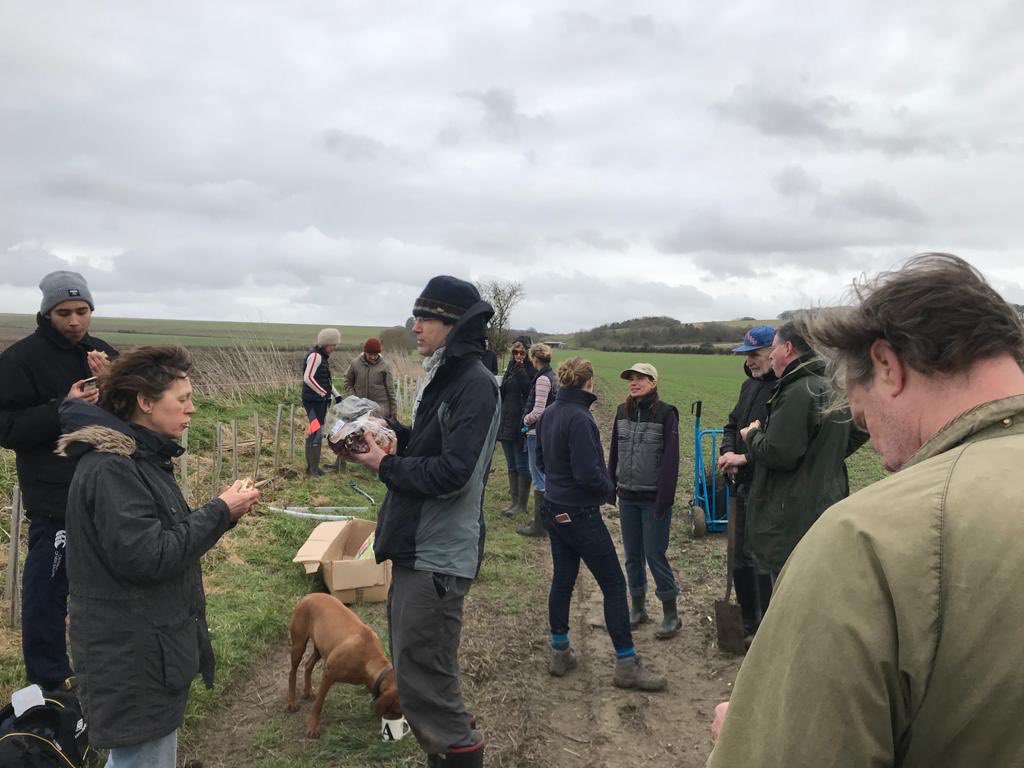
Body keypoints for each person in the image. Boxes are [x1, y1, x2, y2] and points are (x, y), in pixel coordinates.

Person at [708, 253, 1024, 767]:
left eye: (860, 410)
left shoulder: (868, 538)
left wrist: (743, 737)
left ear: (886, 365)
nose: (871, 437)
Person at [57, 346, 259, 767]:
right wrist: (221, 510)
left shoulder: (141, 459)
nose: (192, 409)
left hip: (145, 644)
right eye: (182, 400)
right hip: (130, 653)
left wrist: (223, 514)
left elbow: (162, 539)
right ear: (146, 403)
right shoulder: (113, 468)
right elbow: (150, 557)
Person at [349, 275, 498, 768]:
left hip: (438, 555)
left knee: (426, 691)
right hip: (421, 549)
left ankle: (457, 753)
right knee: (419, 684)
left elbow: (455, 473)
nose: (414, 326)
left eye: (424, 318)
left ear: (452, 325)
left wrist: (385, 466)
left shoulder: (473, 384)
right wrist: (391, 433)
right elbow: (434, 446)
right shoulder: (448, 376)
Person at [0, 270, 118, 690]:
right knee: (48, 590)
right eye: (64, 312)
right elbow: (7, 428)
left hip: (108, 490)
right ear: (46, 312)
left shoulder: (102, 353)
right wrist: (62, 407)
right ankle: (49, 679)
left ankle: (104, 662)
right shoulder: (19, 360)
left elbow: (137, 412)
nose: (74, 321)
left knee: (109, 583)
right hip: (55, 496)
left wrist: (114, 381)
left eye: (82, 311)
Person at [536, 357, 667, 691]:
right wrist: (610, 490)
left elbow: (540, 460)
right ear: (588, 382)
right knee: (612, 583)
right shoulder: (580, 418)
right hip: (580, 513)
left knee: (563, 579)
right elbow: (587, 473)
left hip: (553, 508)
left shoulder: (550, 412)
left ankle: (559, 651)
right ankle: (626, 663)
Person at [739, 322, 866, 580]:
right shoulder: (831, 385)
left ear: (787, 348)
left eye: (773, 348)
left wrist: (752, 435)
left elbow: (779, 453)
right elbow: (858, 431)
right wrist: (823, 455)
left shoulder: (799, 389)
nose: (771, 354)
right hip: (824, 504)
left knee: (787, 586)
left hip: (792, 514)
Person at [607, 363, 682, 639]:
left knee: (654, 554)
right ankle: (637, 608)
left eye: (640, 378)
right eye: (631, 378)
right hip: (628, 495)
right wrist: (610, 486)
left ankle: (671, 614)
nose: (634, 383)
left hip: (653, 499)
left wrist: (665, 498)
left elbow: (671, 460)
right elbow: (614, 449)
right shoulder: (621, 411)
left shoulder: (666, 414)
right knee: (632, 556)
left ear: (653, 382)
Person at [716, 326, 777, 639]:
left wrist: (746, 459)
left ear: (775, 352)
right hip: (742, 487)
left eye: (754, 354)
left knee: (763, 562)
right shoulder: (748, 386)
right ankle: (748, 622)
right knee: (740, 559)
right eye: (746, 355)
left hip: (768, 489)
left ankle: (766, 628)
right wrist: (728, 451)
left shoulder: (783, 390)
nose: (749, 361)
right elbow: (732, 423)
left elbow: (782, 446)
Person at [516, 343, 556, 537]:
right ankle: (542, 520)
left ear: (535, 359)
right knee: (543, 475)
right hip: (546, 432)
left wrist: (525, 419)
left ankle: (539, 527)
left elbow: (539, 411)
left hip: (536, 433)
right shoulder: (552, 376)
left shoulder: (542, 379)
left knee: (538, 476)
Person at [497, 337, 533, 518]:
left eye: (522, 353)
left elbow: (528, 391)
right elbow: (503, 393)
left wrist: (520, 370)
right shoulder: (509, 369)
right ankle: (514, 501)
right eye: (515, 352)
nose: (518, 356)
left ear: (527, 354)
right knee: (511, 465)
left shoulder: (530, 370)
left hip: (520, 422)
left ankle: (521, 504)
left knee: (522, 465)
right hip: (506, 421)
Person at [301, 328, 341, 476]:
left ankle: (314, 467)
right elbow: (308, 378)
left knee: (316, 431)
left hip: (320, 401)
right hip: (313, 401)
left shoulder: (322, 357)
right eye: (333, 345)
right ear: (325, 343)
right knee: (315, 432)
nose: (334, 348)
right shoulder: (315, 356)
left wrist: (336, 395)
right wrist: (322, 393)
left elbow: (325, 381)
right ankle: (312, 470)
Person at [344, 337, 398, 418]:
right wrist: (354, 398)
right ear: (365, 352)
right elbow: (347, 382)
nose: (373, 357)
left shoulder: (385, 366)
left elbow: (391, 390)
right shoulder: (355, 364)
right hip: (360, 409)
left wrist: (394, 412)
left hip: (381, 411)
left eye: (375, 354)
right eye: (370, 354)